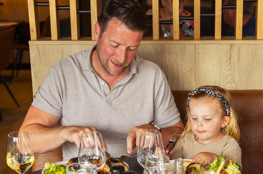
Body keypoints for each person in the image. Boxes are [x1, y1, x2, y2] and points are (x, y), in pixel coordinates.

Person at [19, 0, 184, 163]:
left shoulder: (152, 74)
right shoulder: (64, 71)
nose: (122, 58)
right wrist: (66, 133)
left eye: (132, 49)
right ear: (97, 31)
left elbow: (177, 131)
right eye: (114, 45)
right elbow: (25, 140)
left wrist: (154, 133)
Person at [170, 86, 242, 166]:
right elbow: (172, 163)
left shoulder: (229, 144)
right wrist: (164, 157)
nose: (199, 124)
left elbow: (235, 169)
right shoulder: (185, 141)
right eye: (194, 118)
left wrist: (214, 158)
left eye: (207, 119)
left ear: (223, 121)